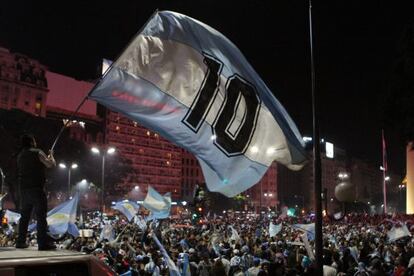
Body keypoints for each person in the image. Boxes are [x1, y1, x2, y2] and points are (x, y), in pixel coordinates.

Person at [15, 134, 56, 250]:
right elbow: (50, 164)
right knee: (41, 217)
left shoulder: (20, 156)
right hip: (37, 189)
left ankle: (20, 241)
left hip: (23, 190)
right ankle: (42, 243)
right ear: (32, 142)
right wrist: (51, 156)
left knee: (25, 216)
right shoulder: (37, 152)